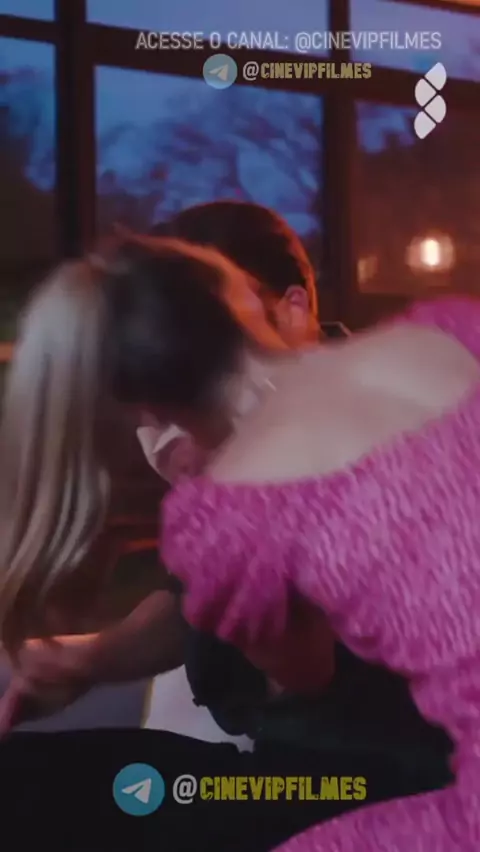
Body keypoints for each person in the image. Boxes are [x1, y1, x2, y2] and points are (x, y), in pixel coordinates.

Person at [0, 236, 471, 849]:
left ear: (144, 407)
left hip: (419, 790)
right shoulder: (443, 331)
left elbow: (308, 678)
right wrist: (91, 659)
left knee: (40, 788)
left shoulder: (232, 510)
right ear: (243, 297)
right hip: (401, 761)